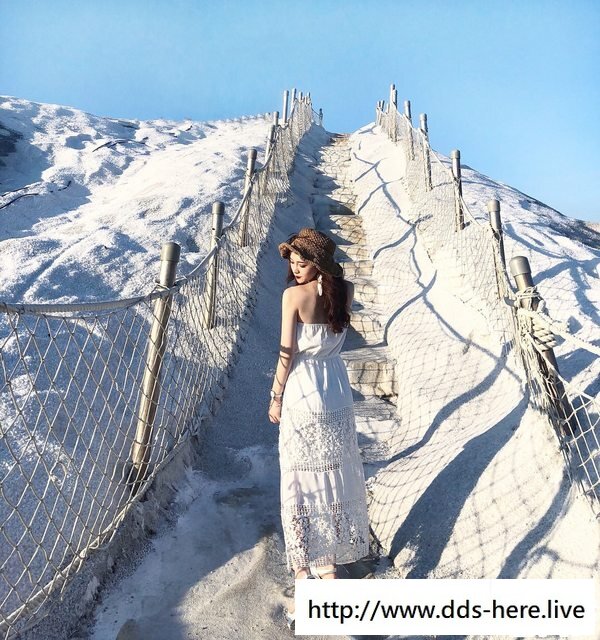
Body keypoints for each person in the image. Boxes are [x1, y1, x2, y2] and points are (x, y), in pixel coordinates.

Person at [268, 228, 370, 592]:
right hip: (336, 387)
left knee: (299, 475)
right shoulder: (346, 290)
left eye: (302, 263)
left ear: (319, 265)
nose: (295, 269)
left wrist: (275, 396)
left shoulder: (293, 296)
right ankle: (329, 560)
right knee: (333, 471)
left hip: (303, 389)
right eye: (293, 263)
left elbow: (287, 353)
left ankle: (305, 565)